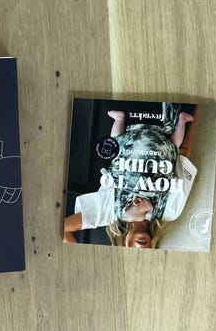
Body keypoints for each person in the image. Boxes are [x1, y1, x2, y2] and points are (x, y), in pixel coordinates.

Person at [64, 103, 198, 246]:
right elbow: (183, 153)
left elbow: (64, 229)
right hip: (167, 121)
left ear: (122, 244)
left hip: (129, 118)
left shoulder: (108, 213)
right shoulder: (170, 211)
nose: (140, 248)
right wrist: (196, 110)